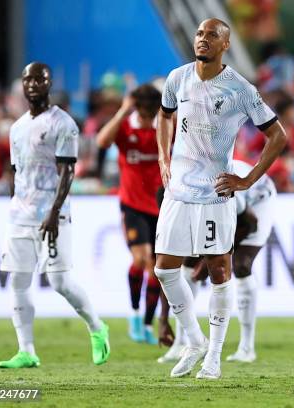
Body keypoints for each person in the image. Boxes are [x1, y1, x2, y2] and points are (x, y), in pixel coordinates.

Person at [154, 18, 287, 379]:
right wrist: (164, 158)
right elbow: (164, 116)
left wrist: (247, 178)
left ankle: (213, 355)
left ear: (225, 44)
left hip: (215, 194)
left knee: (219, 272)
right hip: (179, 191)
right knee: (164, 269)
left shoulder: (240, 89)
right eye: (199, 33)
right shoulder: (177, 78)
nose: (203, 39)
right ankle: (194, 341)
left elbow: (277, 135)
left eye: (212, 35)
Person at [0, 62, 110, 368]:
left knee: (59, 281)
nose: (32, 84)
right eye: (27, 79)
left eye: (39, 79)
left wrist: (54, 211)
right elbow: (16, 170)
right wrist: (13, 203)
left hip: (52, 214)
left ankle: (97, 327)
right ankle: (27, 351)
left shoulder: (63, 123)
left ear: (48, 84)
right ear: (22, 85)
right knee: (18, 282)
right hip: (19, 216)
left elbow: (68, 170)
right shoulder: (17, 127)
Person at [157, 159, 277, 364]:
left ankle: (246, 348)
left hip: (257, 203)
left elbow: (250, 223)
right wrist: (162, 319)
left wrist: (207, 262)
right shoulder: (175, 196)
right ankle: (182, 342)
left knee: (240, 266)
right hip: (219, 205)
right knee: (185, 263)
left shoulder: (216, 184)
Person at [96, 84, 164, 344]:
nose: (147, 122)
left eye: (151, 116)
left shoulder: (163, 128)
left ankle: (147, 323)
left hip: (160, 206)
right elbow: (102, 141)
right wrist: (123, 111)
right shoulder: (126, 128)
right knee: (141, 259)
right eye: (144, 116)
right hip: (132, 205)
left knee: (158, 269)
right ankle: (134, 315)